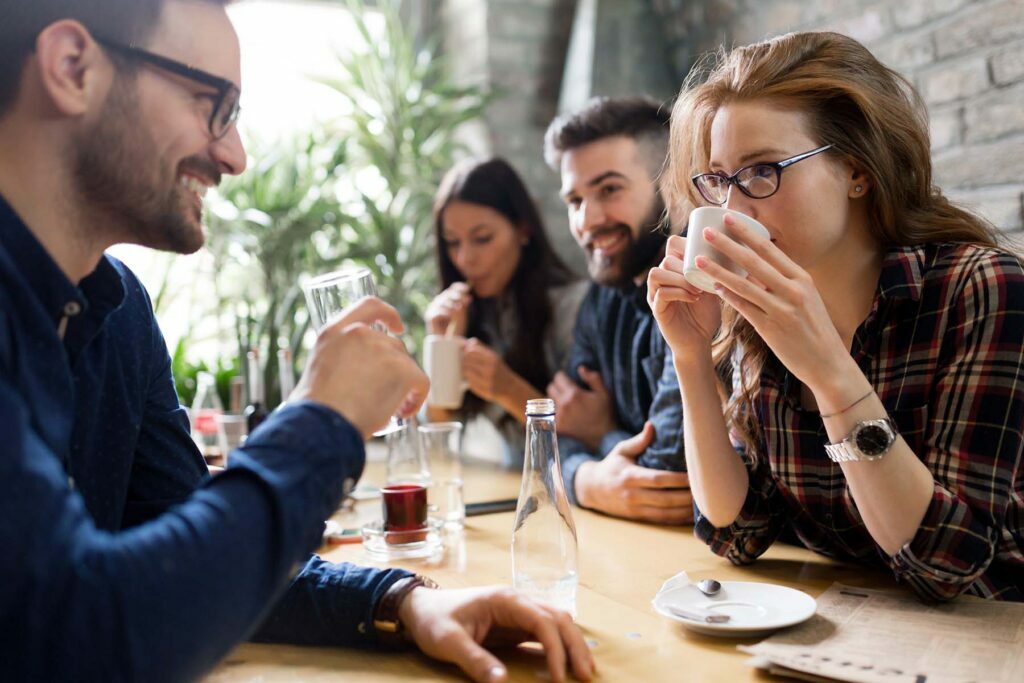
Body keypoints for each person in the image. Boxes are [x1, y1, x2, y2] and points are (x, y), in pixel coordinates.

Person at [0, 1, 597, 681]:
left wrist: (401, 601)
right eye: (213, 104)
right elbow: (71, 634)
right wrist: (321, 418)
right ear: (72, 67)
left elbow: (201, 565)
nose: (235, 155)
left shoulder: (122, 311)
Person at [648, 31, 1023, 601]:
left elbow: (947, 564)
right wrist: (692, 356)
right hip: (853, 632)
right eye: (719, 180)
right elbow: (736, 529)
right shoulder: (760, 316)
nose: (733, 209)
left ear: (857, 170)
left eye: (762, 170)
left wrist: (830, 373)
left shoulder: (981, 290)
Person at [542, 96, 693, 525]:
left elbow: (668, 477)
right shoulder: (603, 294)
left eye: (609, 190)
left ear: (673, 185)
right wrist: (587, 480)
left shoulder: (698, 286)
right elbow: (554, 435)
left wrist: (598, 435)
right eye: (574, 200)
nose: (587, 220)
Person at [425, 158, 587, 466]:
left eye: (482, 239)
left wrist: (508, 388)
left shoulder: (573, 307)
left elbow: (588, 439)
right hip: (503, 490)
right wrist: (442, 344)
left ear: (523, 230)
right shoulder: (472, 312)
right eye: (452, 243)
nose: (465, 258)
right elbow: (437, 434)